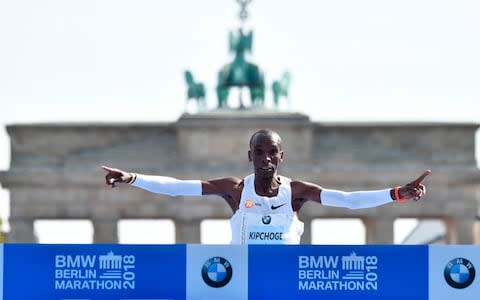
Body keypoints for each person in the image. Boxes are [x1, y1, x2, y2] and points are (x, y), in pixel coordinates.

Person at [102, 128, 430, 245]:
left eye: (272, 152)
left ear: (281, 156)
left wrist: (397, 194)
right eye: (259, 152)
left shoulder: (296, 192)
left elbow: (347, 200)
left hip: (284, 280)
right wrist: (132, 178)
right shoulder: (234, 189)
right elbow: (178, 188)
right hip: (241, 282)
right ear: (250, 156)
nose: (266, 158)